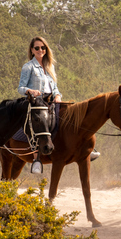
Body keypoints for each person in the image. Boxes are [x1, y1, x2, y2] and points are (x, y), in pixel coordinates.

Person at [18, 36, 100, 174]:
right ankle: (37, 159)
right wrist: (31, 91)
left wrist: (57, 95)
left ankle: (85, 148)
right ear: (32, 50)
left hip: (51, 100)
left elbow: (55, 87)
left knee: (72, 115)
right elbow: (20, 88)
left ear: (46, 49)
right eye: (37, 48)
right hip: (36, 102)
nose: (40, 50)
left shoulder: (50, 66)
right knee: (41, 123)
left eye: (43, 47)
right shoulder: (28, 67)